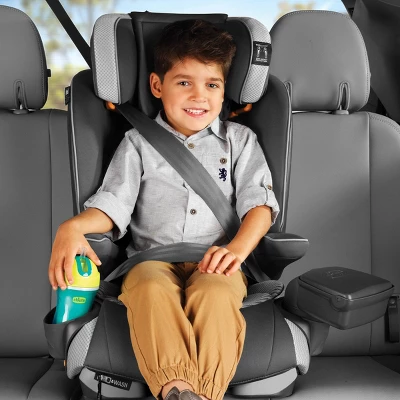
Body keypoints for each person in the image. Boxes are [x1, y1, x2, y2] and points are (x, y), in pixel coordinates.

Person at [48, 19, 279, 400]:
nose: (199, 96)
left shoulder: (240, 141)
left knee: (215, 295)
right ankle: (177, 388)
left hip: (217, 258)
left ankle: (199, 393)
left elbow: (260, 205)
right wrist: (72, 227)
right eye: (184, 82)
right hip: (150, 259)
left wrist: (237, 250)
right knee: (150, 288)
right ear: (157, 86)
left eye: (212, 85)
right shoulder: (137, 144)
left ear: (224, 91)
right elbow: (113, 204)